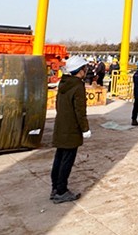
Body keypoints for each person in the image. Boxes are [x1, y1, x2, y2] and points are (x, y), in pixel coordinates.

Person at [50, 56, 91, 204]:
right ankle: (61, 191)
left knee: (59, 158)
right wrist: (85, 128)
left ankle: (55, 188)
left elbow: (58, 105)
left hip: (61, 126)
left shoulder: (64, 83)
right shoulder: (78, 86)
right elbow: (80, 111)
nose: (86, 70)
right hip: (71, 129)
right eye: (84, 68)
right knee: (67, 160)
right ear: (80, 70)